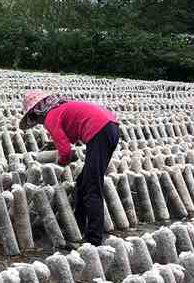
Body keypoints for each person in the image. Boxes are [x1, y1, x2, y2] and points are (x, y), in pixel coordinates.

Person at [19, 90, 120, 246]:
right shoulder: (60, 108)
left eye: (33, 117)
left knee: (93, 187)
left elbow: (65, 151)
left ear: (37, 111)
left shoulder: (51, 117)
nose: (37, 122)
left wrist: (60, 164)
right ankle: (79, 225)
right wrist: (57, 145)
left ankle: (94, 240)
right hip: (110, 127)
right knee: (82, 183)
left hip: (99, 130)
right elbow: (71, 134)